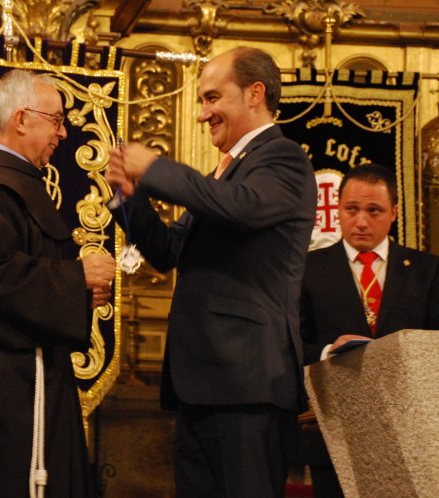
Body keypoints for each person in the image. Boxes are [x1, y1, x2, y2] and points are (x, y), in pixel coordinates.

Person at [106, 46, 317, 498]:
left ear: (255, 93)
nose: (203, 114)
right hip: (201, 386)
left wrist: (156, 167)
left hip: (248, 387)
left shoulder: (284, 159)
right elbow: (167, 252)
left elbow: (241, 209)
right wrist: (130, 198)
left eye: (212, 98)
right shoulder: (223, 173)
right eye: (202, 101)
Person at [0, 69, 116, 498]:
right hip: (4, 376)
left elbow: (14, 272)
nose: (63, 133)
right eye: (56, 120)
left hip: (15, 364)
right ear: (21, 119)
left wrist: (79, 293)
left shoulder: (10, 182)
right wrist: (76, 276)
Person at [299, 162, 439, 498]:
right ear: (337, 210)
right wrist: (328, 353)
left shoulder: (425, 270)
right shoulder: (307, 269)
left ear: (394, 213)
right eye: (351, 209)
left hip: (409, 433)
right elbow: (291, 344)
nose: (361, 221)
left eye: (374, 211)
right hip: (333, 429)